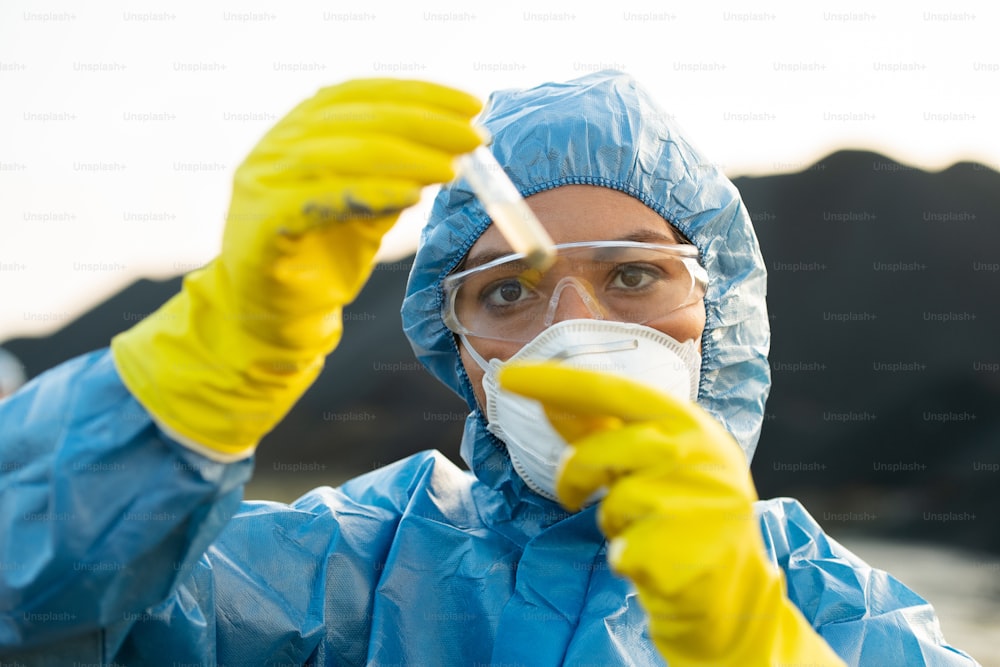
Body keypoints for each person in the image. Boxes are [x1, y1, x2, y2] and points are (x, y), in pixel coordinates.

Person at [0, 72, 979, 665]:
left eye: (636, 273)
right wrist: (184, 392)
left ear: (715, 316)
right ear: (460, 353)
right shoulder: (346, 572)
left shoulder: (831, 611)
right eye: (507, 293)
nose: (577, 329)